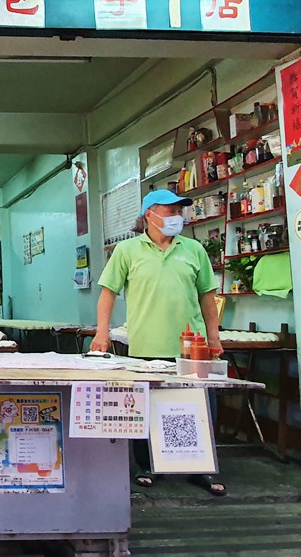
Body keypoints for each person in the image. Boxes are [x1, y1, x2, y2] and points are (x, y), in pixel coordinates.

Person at [91, 189, 226, 496]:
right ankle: (146, 465)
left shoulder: (193, 250)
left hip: (191, 346)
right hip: (144, 345)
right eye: (170, 212)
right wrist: (102, 332)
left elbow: (208, 296)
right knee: (144, 409)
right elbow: (108, 293)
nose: (177, 218)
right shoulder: (127, 251)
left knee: (201, 407)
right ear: (149, 215)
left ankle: (202, 468)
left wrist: (214, 337)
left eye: (179, 212)